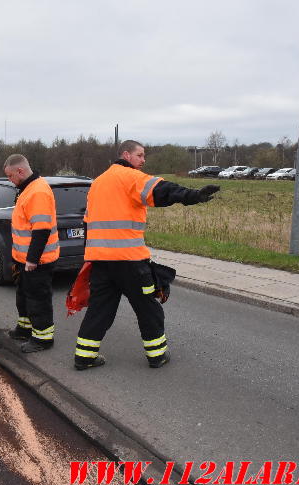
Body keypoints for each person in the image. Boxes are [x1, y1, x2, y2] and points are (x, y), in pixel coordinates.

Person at [73, 140, 220, 371]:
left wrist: (88, 258)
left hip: (100, 261)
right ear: (126, 155)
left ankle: (84, 357)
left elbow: (88, 221)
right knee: (147, 308)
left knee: (100, 309)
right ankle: (157, 355)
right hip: (129, 261)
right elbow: (163, 190)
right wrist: (193, 195)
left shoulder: (98, 183)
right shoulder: (130, 177)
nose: (143, 160)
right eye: (140, 155)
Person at [4, 154, 59, 353]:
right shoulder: (27, 189)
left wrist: (32, 260)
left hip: (38, 261)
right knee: (24, 297)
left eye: (10, 176)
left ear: (20, 171)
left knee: (38, 299)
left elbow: (41, 229)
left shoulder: (38, 192)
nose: (10, 181)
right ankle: (25, 329)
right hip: (24, 259)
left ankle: (43, 338)